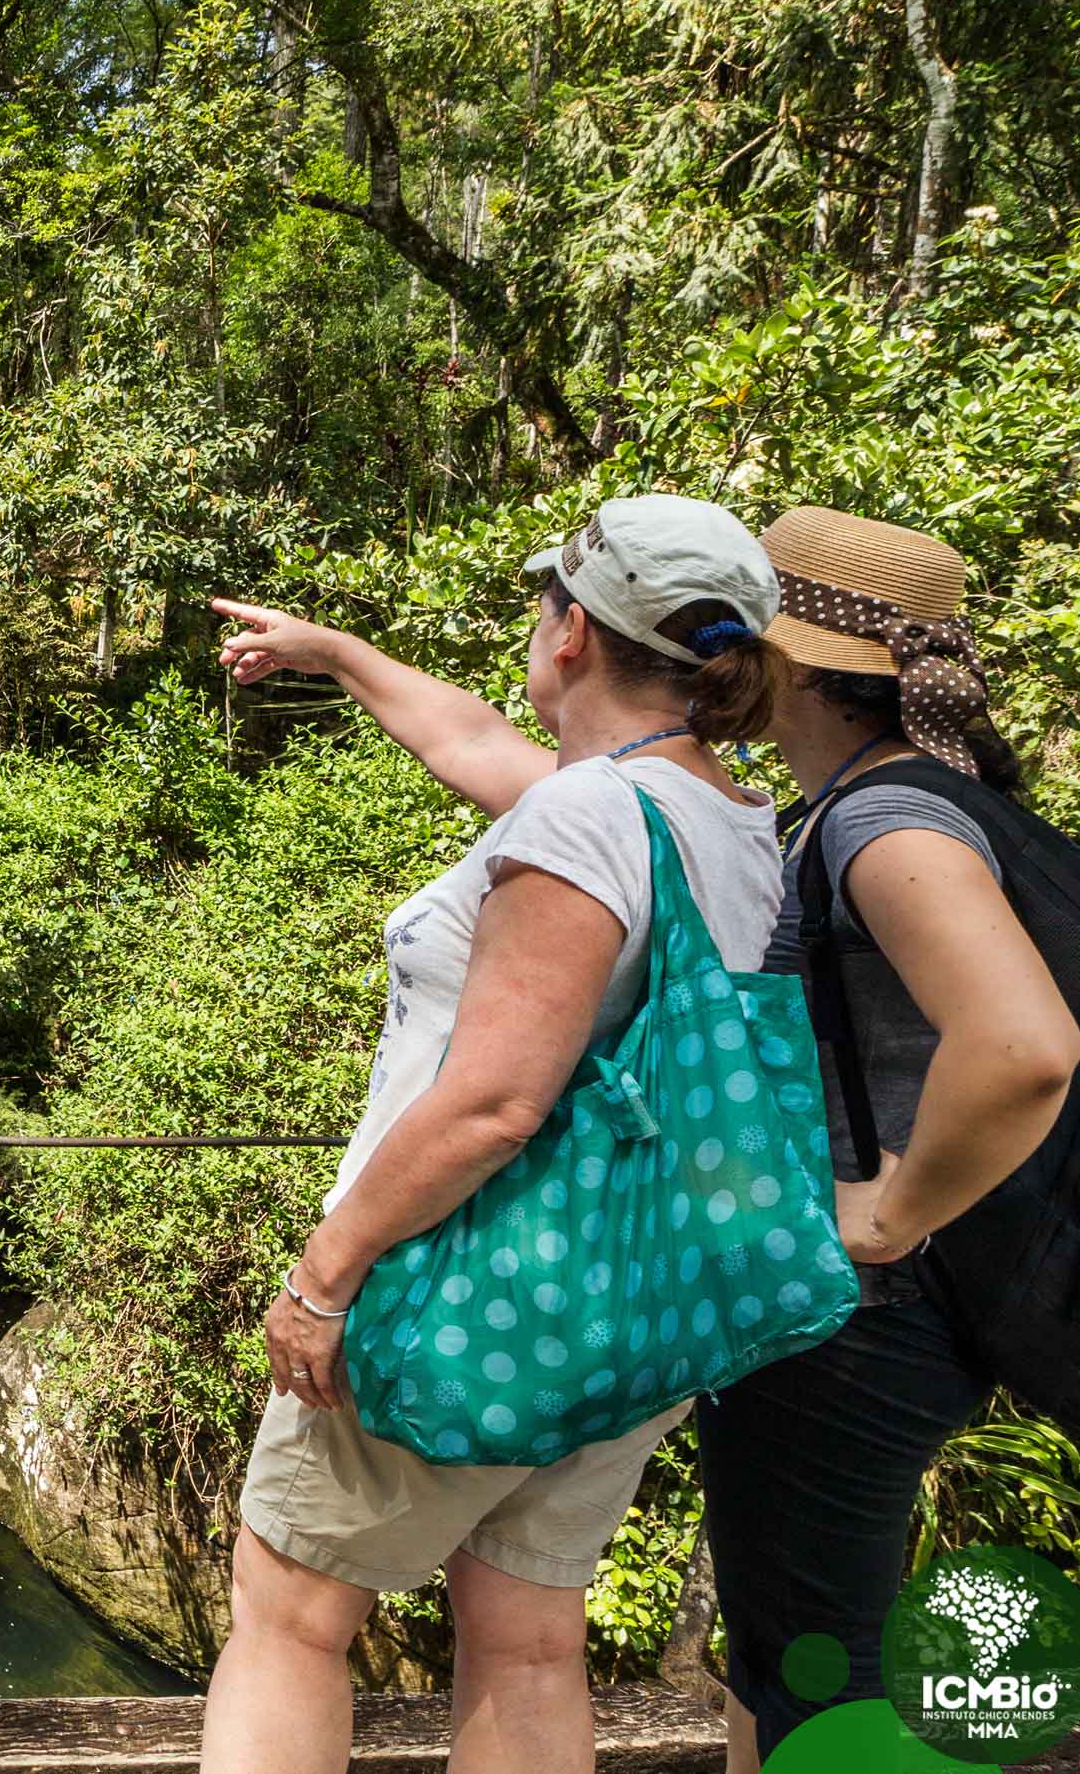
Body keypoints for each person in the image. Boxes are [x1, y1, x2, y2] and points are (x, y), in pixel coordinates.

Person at [202, 493, 788, 1774]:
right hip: (623, 1304)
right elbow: (472, 741)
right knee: (526, 1639)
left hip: (464, 1284)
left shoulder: (587, 819)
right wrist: (341, 655)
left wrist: (322, 1278)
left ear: (571, 632)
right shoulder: (725, 824)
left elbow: (493, 1102)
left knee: (290, 1619)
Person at [693, 507, 1080, 1771]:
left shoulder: (879, 823)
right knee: (793, 1652)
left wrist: (885, 1210)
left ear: (792, 659)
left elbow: (1020, 1045)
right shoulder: (911, 802)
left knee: (816, 1665)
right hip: (952, 1293)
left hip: (875, 1308)